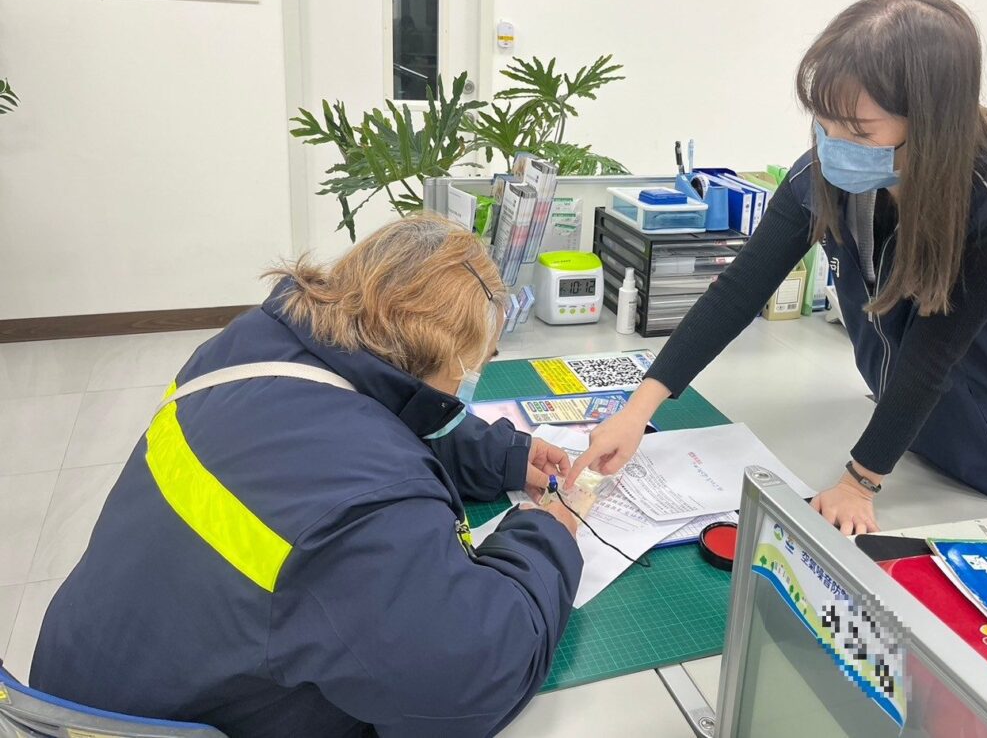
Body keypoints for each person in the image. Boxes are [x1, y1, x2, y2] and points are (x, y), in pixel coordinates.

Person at [31, 215, 583, 738]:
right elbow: (472, 679)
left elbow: (382, 406)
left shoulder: (248, 349)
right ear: (446, 359)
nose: (472, 382)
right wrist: (545, 535)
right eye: (476, 363)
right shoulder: (363, 502)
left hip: (72, 683)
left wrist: (503, 455)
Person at [569, 0, 987, 535]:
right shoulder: (829, 172)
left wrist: (860, 481)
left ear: (932, 125)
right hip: (902, 435)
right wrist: (637, 410)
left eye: (860, 132)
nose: (833, 145)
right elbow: (738, 291)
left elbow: (934, 354)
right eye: (824, 122)